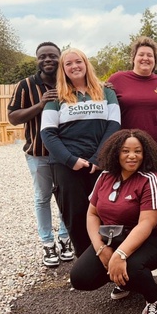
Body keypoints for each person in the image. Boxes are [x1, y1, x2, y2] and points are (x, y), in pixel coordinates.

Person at [70, 129, 157, 314]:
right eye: (125, 151)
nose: (132, 156)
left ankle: (154, 297)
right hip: (112, 236)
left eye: (138, 151)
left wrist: (119, 255)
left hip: (153, 238)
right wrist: (100, 249)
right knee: (81, 278)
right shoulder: (105, 176)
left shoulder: (151, 179)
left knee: (132, 266)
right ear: (116, 152)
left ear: (145, 154)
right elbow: (92, 214)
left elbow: (146, 224)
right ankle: (123, 280)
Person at [41, 48, 121, 257]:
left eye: (79, 61)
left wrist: (99, 158)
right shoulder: (56, 97)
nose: (74, 66)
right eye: (68, 64)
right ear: (63, 69)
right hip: (67, 165)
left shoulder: (106, 92)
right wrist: (70, 160)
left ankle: (109, 254)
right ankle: (86, 259)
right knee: (75, 214)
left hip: (100, 162)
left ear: (86, 64)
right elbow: (48, 133)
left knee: (106, 210)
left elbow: (114, 126)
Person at [7, 42, 73, 268]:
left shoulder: (69, 83)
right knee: (42, 198)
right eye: (43, 56)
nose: (48, 60)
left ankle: (65, 239)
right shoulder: (25, 85)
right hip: (39, 153)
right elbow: (14, 117)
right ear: (37, 60)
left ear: (59, 58)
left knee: (66, 197)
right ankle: (48, 243)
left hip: (66, 154)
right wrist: (40, 105)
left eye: (53, 56)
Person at [107, 36, 157, 149]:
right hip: (124, 147)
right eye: (141, 54)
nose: (145, 58)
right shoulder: (117, 79)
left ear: (155, 60)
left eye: (150, 55)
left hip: (154, 147)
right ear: (133, 58)